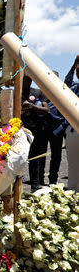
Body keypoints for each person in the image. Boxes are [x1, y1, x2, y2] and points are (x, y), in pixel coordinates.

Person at [21, 74, 50, 191]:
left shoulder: (38, 92)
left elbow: (46, 110)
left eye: (28, 79)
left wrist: (31, 106)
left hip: (38, 130)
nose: (26, 82)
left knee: (35, 158)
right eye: (24, 80)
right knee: (20, 158)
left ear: (32, 79)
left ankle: (35, 184)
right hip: (21, 130)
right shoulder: (16, 93)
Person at [64, 56, 79, 191]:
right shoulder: (74, 87)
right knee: (73, 165)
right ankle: (74, 194)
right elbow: (65, 85)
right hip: (73, 131)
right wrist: (73, 66)